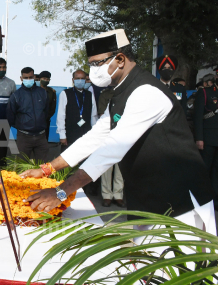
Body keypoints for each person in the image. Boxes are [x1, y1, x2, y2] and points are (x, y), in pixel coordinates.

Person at [20, 29, 215, 235]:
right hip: (147, 195)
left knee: (179, 265)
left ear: (120, 59)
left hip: (178, 199)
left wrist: (60, 192)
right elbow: (96, 137)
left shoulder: (146, 92)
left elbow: (111, 149)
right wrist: (47, 169)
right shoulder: (120, 93)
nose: (93, 70)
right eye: (91, 64)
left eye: (97, 63)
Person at [7, 67, 49, 163]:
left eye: (30, 77)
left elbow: (46, 112)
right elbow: (10, 115)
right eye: (26, 78)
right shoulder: (16, 96)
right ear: (21, 78)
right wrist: (22, 126)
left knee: (44, 168)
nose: (28, 80)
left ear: (34, 77)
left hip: (41, 136)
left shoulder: (43, 93)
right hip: (24, 137)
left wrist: (39, 122)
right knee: (22, 168)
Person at [56, 69, 98, 152]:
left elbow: (94, 116)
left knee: (85, 161)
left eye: (82, 78)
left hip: (86, 134)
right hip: (70, 135)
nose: (80, 81)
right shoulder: (65, 93)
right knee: (69, 161)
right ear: (73, 80)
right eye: (77, 78)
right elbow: (61, 116)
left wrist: (94, 134)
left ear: (86, 80)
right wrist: (62, 135)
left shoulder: (90, 94)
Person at [97, 86, 125, 207]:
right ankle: (107, 195)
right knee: (107, 166)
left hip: (123, 133)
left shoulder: (127, 92)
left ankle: (118, 195)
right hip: (107, 133)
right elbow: (102, 113)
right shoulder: (105, 94)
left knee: (120, 168)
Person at [194, 74, 218, 202]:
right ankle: (202, 198)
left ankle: (215, 200)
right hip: (207, 139)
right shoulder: (204, 92)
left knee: (216, 172)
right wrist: (199, 138)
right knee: (204, 170)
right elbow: (198, 116)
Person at [36, 71, 57, 140]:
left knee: (43, 141)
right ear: (39, 79)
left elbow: (52, 107)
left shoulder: (51, 92)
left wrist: (46, 117)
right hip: (33, 120)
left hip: (45, 121)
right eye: (44, 78)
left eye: (48, 79)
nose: (46, 80)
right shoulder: (34, 90)